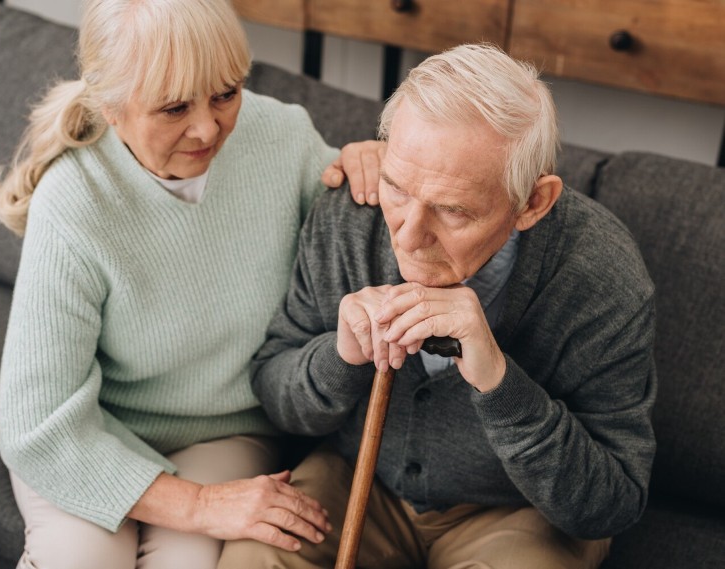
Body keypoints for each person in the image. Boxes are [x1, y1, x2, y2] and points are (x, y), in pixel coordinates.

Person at [218, 43, 656, 569]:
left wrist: (500, 384)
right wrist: (340, 358)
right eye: (398, 188)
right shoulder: (350, 216)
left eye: (452, 210)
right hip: (359, 477)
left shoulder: (602, 273)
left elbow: (611, 504)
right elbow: (275, 394)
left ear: (532, 203)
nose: (407, 235)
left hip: (517, 513)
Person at [0, 1, 380, 567]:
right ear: (110, 107)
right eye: (174, 107)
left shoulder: (280, 136)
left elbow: (357, 228)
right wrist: (198, 505)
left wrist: (376, 164)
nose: (207, 128)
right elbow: (38, 427)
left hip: (225, 432)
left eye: (226, 93)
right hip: (92, 431)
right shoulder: (74, 200)